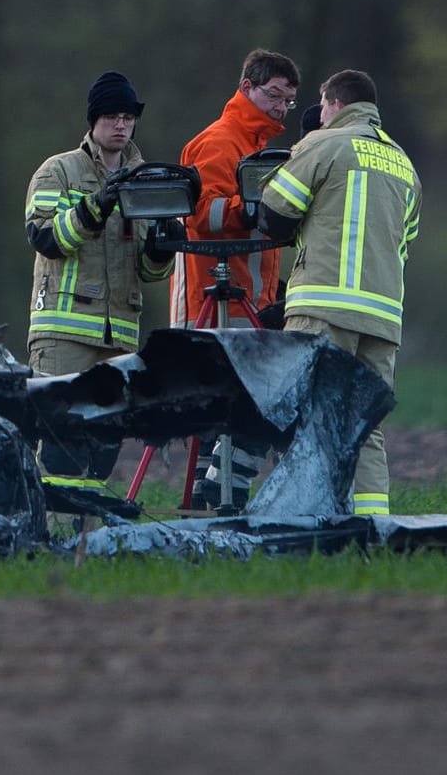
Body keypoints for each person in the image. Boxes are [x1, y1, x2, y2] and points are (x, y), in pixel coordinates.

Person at [257, 68, 421, 515]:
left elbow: (273, 211)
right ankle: (373, 525)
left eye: (321, 104)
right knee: (365, 427)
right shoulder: (404, 164)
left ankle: (309, 519)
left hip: (325, 308)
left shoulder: (324, 143)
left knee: (312, 418)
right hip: (383, 319)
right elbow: (404, 242)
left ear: (333, 103)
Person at [25, 70, 183, 485]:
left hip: (119, 338)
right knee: (61, 448)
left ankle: (85, 542)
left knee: (104, 449)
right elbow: (45, 238)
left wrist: (163, 245)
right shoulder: (56, 171)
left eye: (128, 117)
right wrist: (95, 207)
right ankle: (52, 542)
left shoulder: (147, 180)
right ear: (93, 121)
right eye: (112, 116)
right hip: (64, 335)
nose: (121, 124)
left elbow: (149, 272)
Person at [169, 48, 300, 327]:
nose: (280, 108)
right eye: (274, 95)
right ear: (246, 87)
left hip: (245, 304)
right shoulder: (220, 142)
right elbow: (203, 214)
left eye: (288, 102)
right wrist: (257, 209)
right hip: (213, 308)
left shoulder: (253, 144)